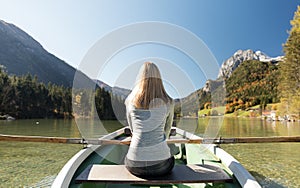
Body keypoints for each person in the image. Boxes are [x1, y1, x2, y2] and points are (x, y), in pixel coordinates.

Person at [124, 62, 175, 177]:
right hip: (161, 166)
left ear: (140, 78)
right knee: (171, 160)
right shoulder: (169, 102)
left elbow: (133, 130)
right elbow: (166, 133)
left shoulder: (130, 101)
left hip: (134, 165)